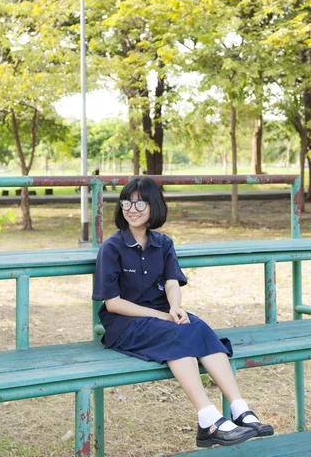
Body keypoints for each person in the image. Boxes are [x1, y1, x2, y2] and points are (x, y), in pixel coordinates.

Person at [92, 177, 274, 448]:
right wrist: (160, 316)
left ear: (154, 206)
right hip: (125, 324)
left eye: (140, 202)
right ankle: (208, 419)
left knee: (198, 326)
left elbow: (171, 283)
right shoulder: (112, 247)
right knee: (175, 336)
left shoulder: (163, 243)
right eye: (127, 202)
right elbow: (112, 304)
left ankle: (239, 408)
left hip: (161, 318)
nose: (132, 208)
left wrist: (175, 307)